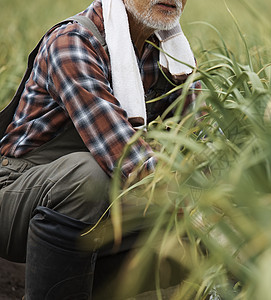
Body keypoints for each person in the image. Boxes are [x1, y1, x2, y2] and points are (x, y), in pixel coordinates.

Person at [0, 0, 198, 298]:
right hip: (16, 193)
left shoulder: (171, 55)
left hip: (100, 194)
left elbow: (198, 142)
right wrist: (201, 211)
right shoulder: (72, 43)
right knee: (91, 178)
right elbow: (126, 157)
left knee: (197, 221)